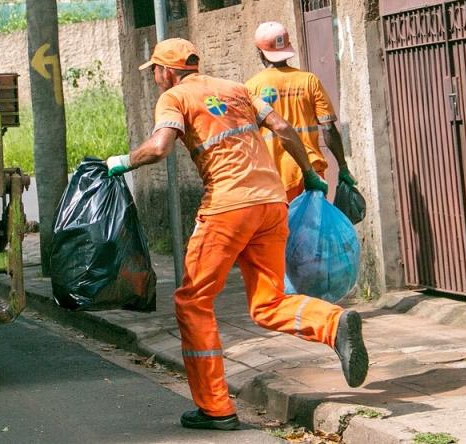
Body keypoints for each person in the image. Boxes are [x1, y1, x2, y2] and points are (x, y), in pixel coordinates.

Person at [105, 38, 368, 431]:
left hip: (227, 207)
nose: (156, 79)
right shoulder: (237, 89)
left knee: (193, 301)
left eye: (155, 71)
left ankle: (215, 408)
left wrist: (123, 162)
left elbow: (160, 148)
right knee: (267, 302)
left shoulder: (174, 98)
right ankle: (333, 323)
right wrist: (310, 173)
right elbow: (282, 127)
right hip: (271, 203)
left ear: (167, 71)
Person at [245, 21, 356, 202]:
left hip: (276, 177)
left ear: (260, 52)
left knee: (283, 230)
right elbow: (328, 129)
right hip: (312, 173)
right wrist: (342, 166)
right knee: (313, 228)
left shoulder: (250, 87)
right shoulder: (309, 81)